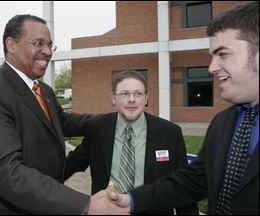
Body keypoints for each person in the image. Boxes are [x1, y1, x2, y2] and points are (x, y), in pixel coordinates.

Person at [0, 14, 126, 215]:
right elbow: (6, 172)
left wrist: (112, 120)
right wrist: (85, 205)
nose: (47, 52)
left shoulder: (44, 90)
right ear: (11, 45)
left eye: (50, 45)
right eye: (38, 44)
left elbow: (64, 122)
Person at [111, 1, 259, 215]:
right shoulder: (223, 122)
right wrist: (131, 201)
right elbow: (193, 181)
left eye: (223, 54)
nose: (211, 67)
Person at [64, 70, 199, 214]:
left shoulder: (170, 133)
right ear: (113, 98)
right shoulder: (97, 128)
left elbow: (183, 186)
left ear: (146, 98)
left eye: (138, 93)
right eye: (124, 93)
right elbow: (71, 165)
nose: (132, 99)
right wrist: (42, 189)